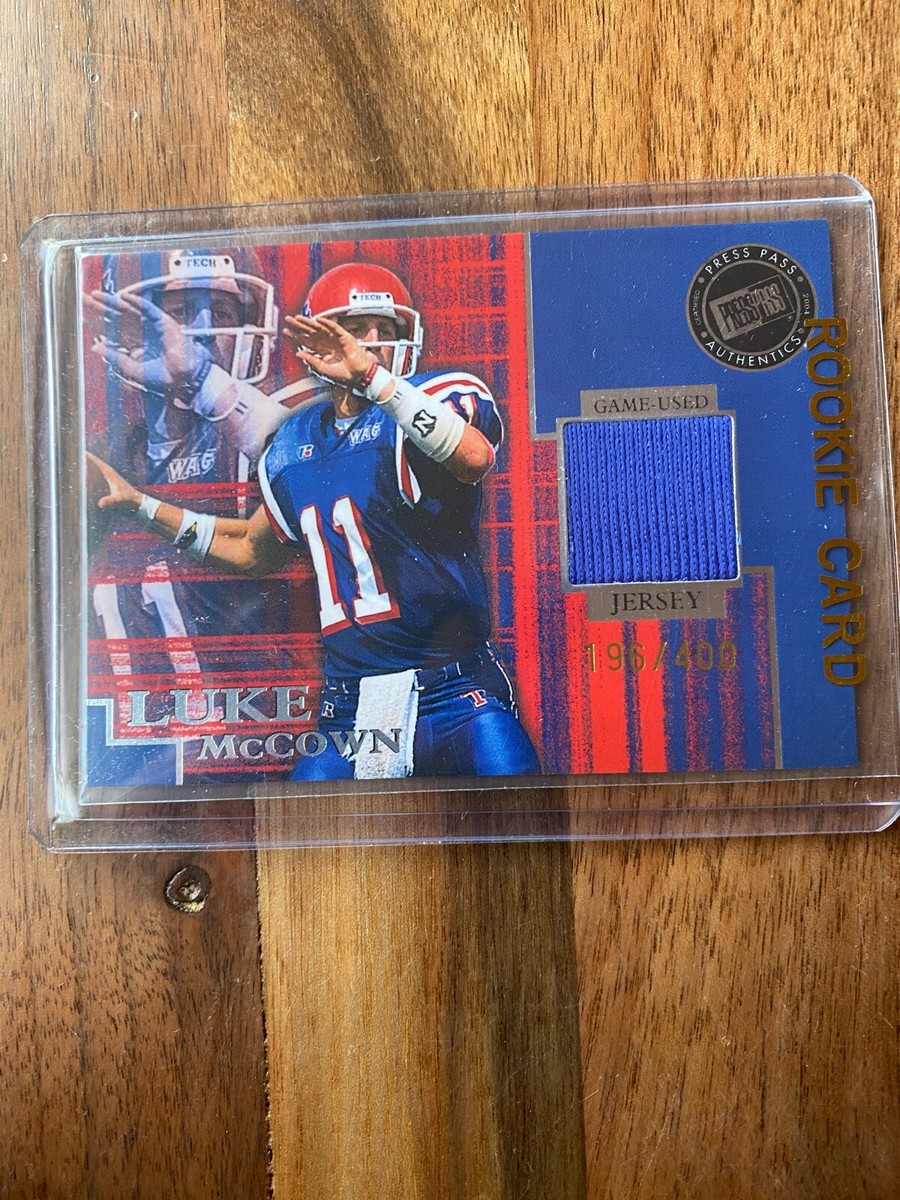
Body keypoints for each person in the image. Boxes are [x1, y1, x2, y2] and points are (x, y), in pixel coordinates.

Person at [90, 261, 540, 781]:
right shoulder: (294, 441)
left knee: (523, 814)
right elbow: (250, 547)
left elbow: (474, 457)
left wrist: (374, 381)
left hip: (457, 693)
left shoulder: (435, 397)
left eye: (386, 329)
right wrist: (140, 506)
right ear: (315, 344)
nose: (372, 343)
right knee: (302, 827)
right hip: (349, 708)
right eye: (356, 329)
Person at [85, 250, 320, 675]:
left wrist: (204, 383)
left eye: (223, 312)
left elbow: (317, 472)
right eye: (179, 313)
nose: (208, 331)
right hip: (144, 710)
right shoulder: (105, 455)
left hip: (264, 702)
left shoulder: (278, 421)